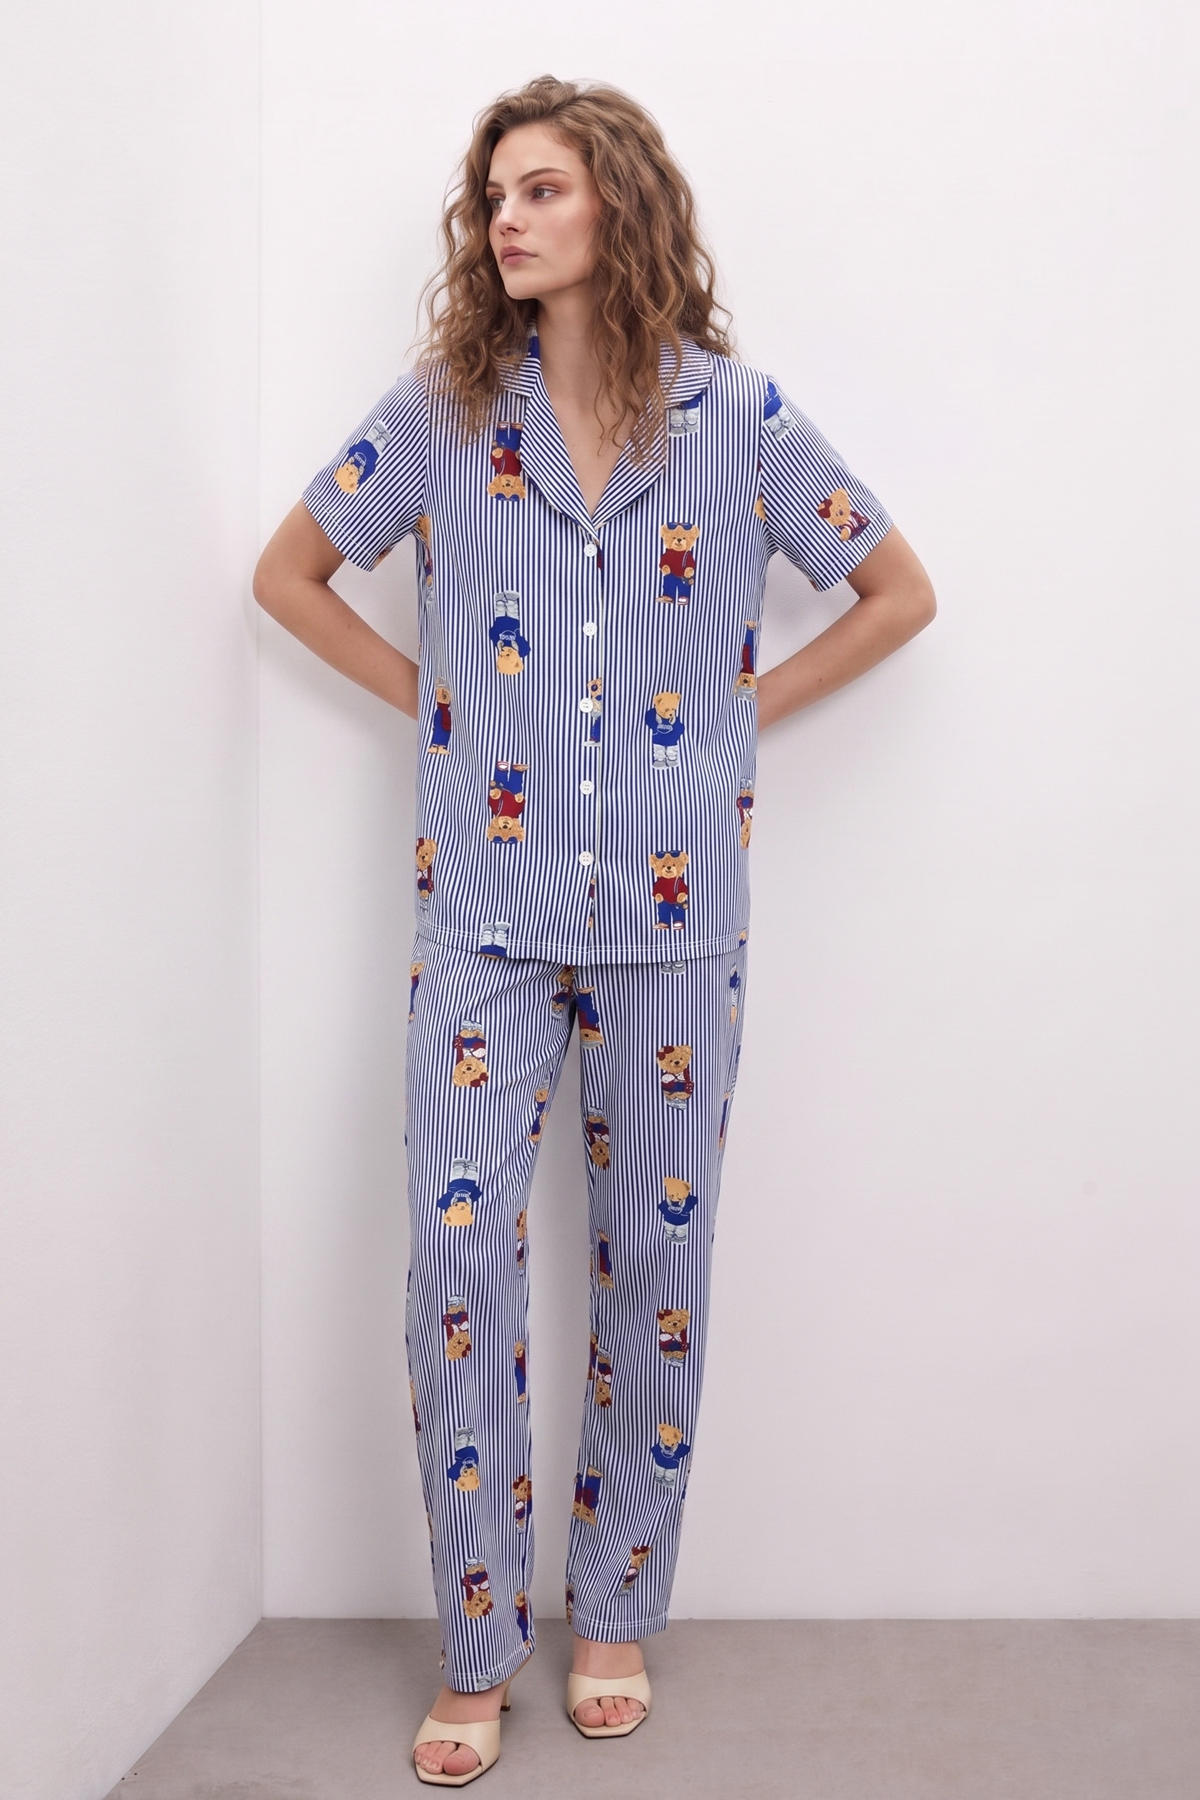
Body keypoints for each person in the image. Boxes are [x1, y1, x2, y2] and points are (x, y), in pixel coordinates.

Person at [254, 73, 935, 1789]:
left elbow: (897, 591)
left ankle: (616, 1609)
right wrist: (441, 714)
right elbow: (288, 574)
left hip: (673, 912)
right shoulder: (441, 411)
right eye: (494, 194)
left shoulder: (740, 416)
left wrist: (732, 726)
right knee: (460, 1266)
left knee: (656, 1275)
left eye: (542, 188)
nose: (506, 217)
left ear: (619, 203)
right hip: (484, 915)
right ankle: (478, 1643)